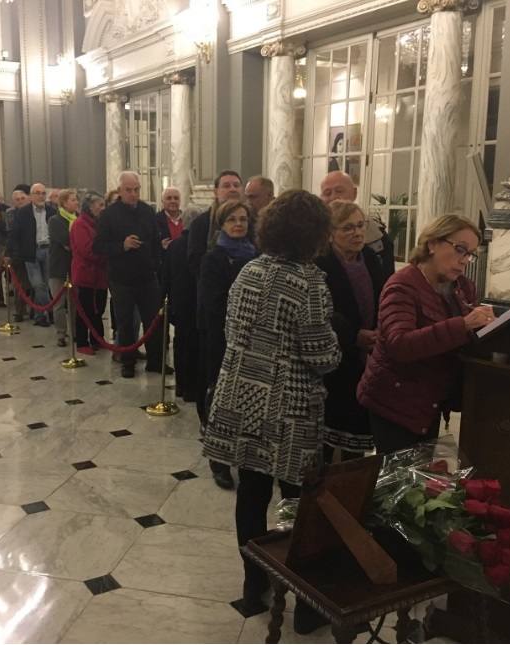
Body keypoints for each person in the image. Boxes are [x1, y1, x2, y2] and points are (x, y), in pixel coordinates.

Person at [201, 190, 339, 621]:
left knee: (252, 495)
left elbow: (231, 332)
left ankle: (254, 582)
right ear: (314, 234)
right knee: (298, 502)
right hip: (288, 408)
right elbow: (321, 355)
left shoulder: (249, 270)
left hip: (241, 399)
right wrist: (339, 351)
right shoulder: (309, 281)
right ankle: (303, 602)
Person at [357, 215, 495, 454]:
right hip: (396, 400)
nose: (464, 261)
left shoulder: (461, 287)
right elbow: (399, 345)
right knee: (397, 483)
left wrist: (488, 326)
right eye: (460, 249)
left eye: (470, 254)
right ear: (432, 244)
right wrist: (462, 325)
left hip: (429, 398)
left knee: (418, 478)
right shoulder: (402, 285)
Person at [316, 201, 386, 459]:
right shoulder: (320, 262)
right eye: (347, 228)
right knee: (331, 423)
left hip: (368, 352)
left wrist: (379, 329)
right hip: (335, 354)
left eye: (360, 226)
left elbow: (382, 295)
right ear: (330, 232)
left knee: (357, 427)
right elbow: (321, 311)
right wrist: (354, 335)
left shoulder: (369, 257)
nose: (357, 233)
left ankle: (349, 484)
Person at [197, 200, 257, 490]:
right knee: (220, 399)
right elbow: (214, 303)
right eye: (232, 219)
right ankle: (218, 461)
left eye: (243, 219)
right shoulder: (214, 258)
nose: (238, 224)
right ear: (221, 224)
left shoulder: (255, 254)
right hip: (222, 338)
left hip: (253, 340)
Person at [92, 171, 166, 378]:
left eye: (136, 190)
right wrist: (122, 246)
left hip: (147, 276)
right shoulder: (109, 215)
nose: (133, 194)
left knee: (153, 321)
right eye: (128, 190)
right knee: (125, 323)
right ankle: (128, 362)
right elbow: (98, 246)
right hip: (121, 278)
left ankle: (155, 361)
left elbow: (155, 240)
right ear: (120, 191)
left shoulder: (147, 211)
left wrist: (155, 263)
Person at [320, 171, 395, 278]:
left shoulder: (377, 238)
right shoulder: (312, 238)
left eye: (339, 191)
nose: (334, 197)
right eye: (327, 193)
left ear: (354, 193)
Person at [163, 207, 201, 402]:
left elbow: (166, 276)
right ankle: (192, 388)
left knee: (180, 343)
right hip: (196, 301)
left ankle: (181, 385)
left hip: (179, 300)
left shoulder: (174, 246)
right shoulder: (201, 245)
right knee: (195, 345)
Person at [5, 183, 56, 327]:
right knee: (38, 285)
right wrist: (9, 252)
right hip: (31, 252)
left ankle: (40, 315)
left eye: (43, 193)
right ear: (32, 196)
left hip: (48, 251)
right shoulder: (23, 212)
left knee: (46, 285)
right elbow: (14, 234)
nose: (41, 196)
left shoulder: (52, 211)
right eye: (37, 193)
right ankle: (49, 310)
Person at [70, 193, 108, 354]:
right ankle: (82, 342)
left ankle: (97, 339)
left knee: (98, 308)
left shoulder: (99, 224)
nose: (103, 208)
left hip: (100, 275)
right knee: (84, 310)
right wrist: (107, 255)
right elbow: (86, 250)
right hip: (86, 274)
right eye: (100, 205)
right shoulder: (80, 225)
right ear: (90, 207)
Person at [187, 170, 244, 277]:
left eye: (236, 185)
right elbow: (195, 261)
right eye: (226, 186)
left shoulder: (252, 220)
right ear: (216, 192)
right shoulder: (201, 223)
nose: (233, 189)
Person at [48, 189, 78, 344]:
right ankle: (61, 334)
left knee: (74, 303)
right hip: (58, 267)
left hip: (74, 266)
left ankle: (75, 332)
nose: (76, 202)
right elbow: (66, 242)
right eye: (73, 200)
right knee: (59, 303)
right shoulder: (55, 220)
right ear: (64, 203)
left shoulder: (78, 219)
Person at [5, 187, 32, 322]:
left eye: (23, 199)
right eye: (17, 200)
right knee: (19, 284)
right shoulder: (11, 214)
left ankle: (35, 309)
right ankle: (19, 310)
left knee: (33, 283)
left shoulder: (32, 211)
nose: (20, 201)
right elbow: (11, 233)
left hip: (32, 251)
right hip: (17, 253)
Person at [155, 187, 184, 252]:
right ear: (162, 201)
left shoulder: (187, 219)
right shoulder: (154, 220)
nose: (173, 201)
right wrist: (159, 246)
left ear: (180, 201)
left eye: (176, 198)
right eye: (169, 198)